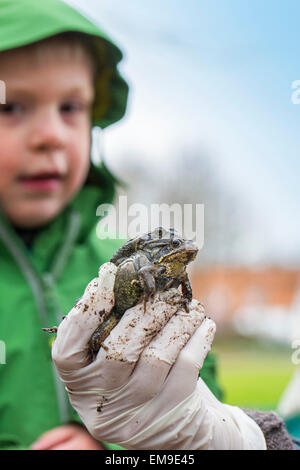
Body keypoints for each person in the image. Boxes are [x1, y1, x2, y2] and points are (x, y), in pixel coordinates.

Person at [0, 0, 294, 451]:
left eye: (72, 107)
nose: (50, 135)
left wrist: (109, 446)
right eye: (12, 106)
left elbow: (195, 383)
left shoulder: (122, 263)